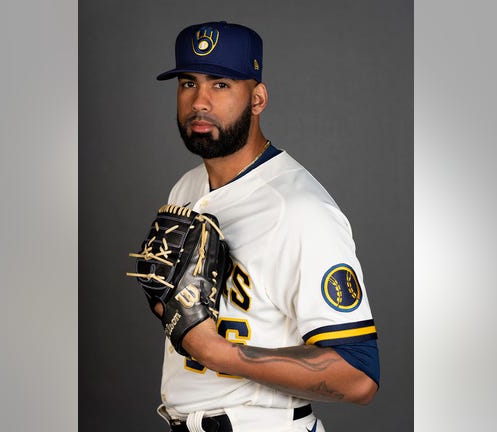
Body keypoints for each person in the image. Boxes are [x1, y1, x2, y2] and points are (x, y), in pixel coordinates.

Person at [151, 21, 380, 432]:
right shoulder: (185, 188)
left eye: (220, 84)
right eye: (188, 82)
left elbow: (358, 376)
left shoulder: (301, 210)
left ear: (257, 99)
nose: (199, 101)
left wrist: (218, 352)